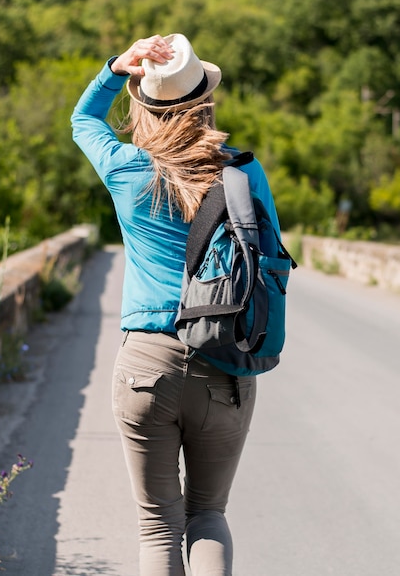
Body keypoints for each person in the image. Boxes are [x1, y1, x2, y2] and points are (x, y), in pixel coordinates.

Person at [71, 33, 281, 576]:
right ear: (204, 105)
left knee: (158, 526)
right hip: (224, 362)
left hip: (146, 365)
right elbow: (273, 261)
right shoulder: (243, 173)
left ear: (143, 107)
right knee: (207, 515)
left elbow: (82, 121)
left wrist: (119, 67)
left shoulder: (125, 169)